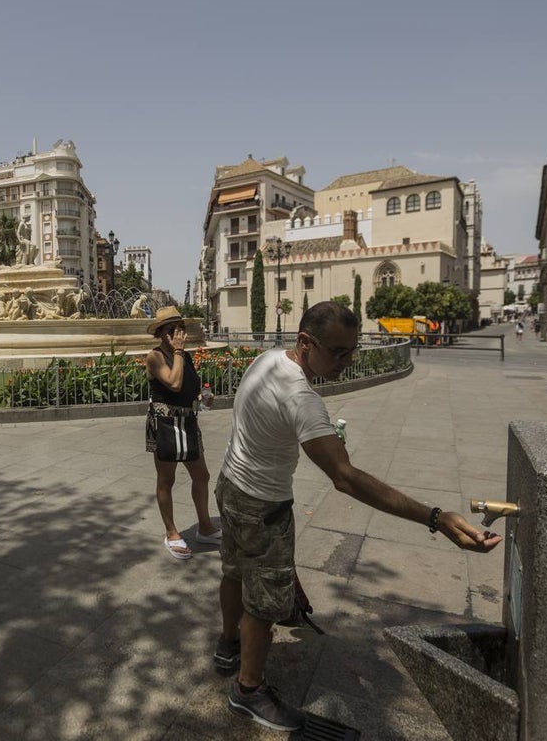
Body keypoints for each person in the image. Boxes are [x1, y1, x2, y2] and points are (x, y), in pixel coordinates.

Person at [214, 301, 501, 732]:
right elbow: (345, 478)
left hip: (231, 486)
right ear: (305, 342)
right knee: (264, 605)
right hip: (263, 506)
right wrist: (436, 518)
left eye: (353, 351)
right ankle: (248, 691)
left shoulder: (268, 360)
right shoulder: (303, 399)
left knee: (235, 571)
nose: (347, 362)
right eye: (337, 352)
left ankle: (227, 645)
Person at [144, 306, 221, 560]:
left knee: (202, 475)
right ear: (160, 333)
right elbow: (173, 383)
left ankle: (205, 526)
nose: (178, 334)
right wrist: (177, 352)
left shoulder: (184, 356)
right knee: (167, 480)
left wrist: (202, 397)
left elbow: (188, 387)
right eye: (171, 330)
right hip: (164, 423)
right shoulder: (155, 357)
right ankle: (171, 532)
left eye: (180, 328)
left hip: (187, 421)